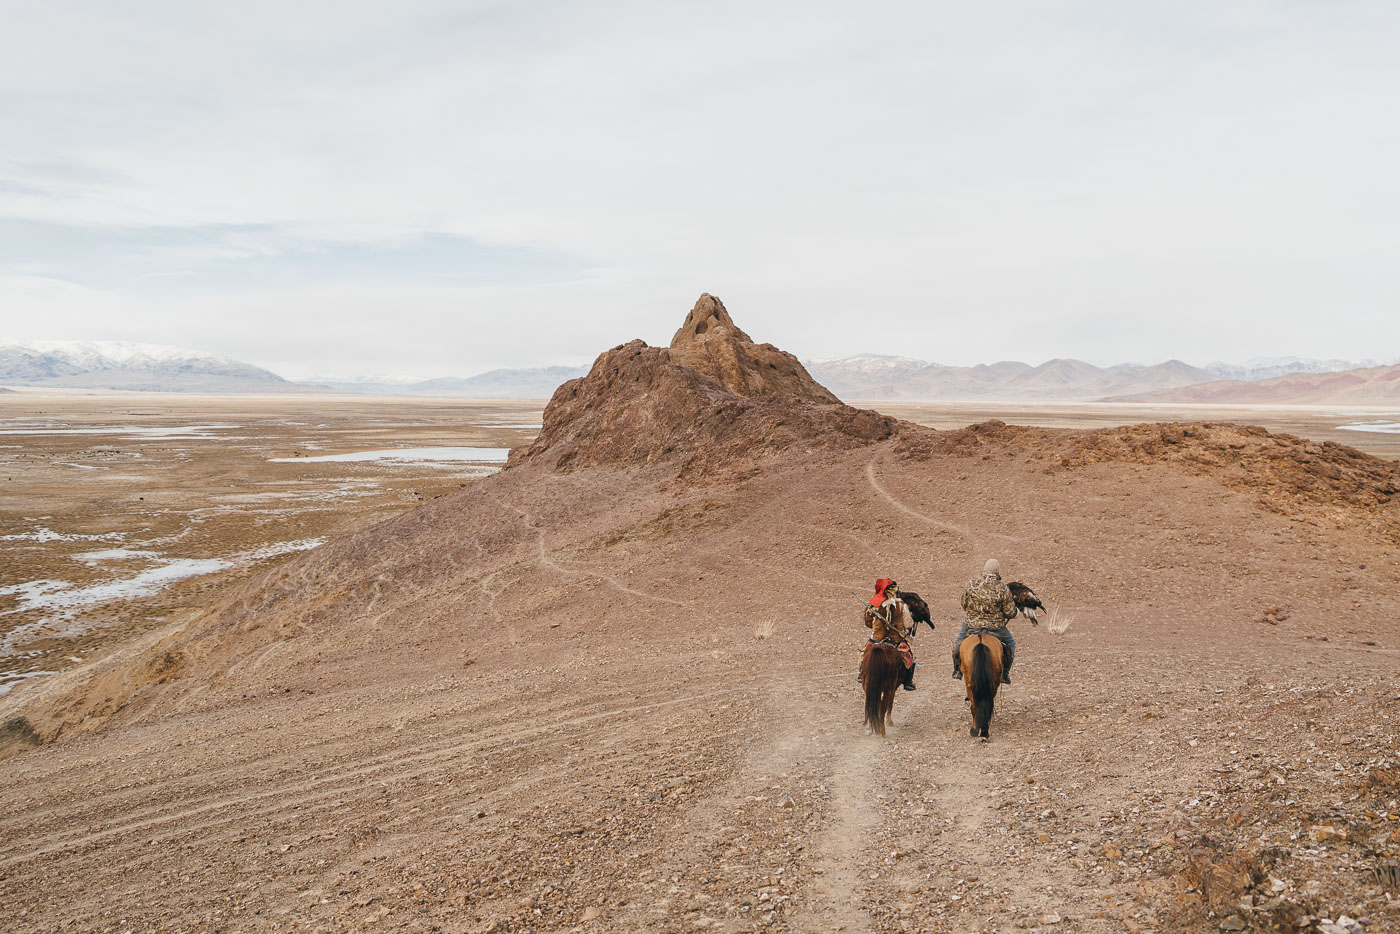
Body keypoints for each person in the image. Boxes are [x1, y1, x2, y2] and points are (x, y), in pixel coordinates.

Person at [952, 559, 1018, 684]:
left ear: (984, 569)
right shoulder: (1003, 588)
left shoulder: (971, 584)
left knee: (957, 644)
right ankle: (1005, 673)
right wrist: (1016, 613)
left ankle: (957, 669)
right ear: (997, 571)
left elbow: (964, 604)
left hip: (971, 624)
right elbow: (1009, 612)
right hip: (995, 627)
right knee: (1011, 644)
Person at [863, 578, 917, 691]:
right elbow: (908, 624)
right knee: (909, 657)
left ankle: (861, 673)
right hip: (896, 641)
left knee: (863, 656)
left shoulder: (873, 606)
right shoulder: (902, 605)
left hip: (876, 639)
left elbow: (868, 623)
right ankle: (908, 681)